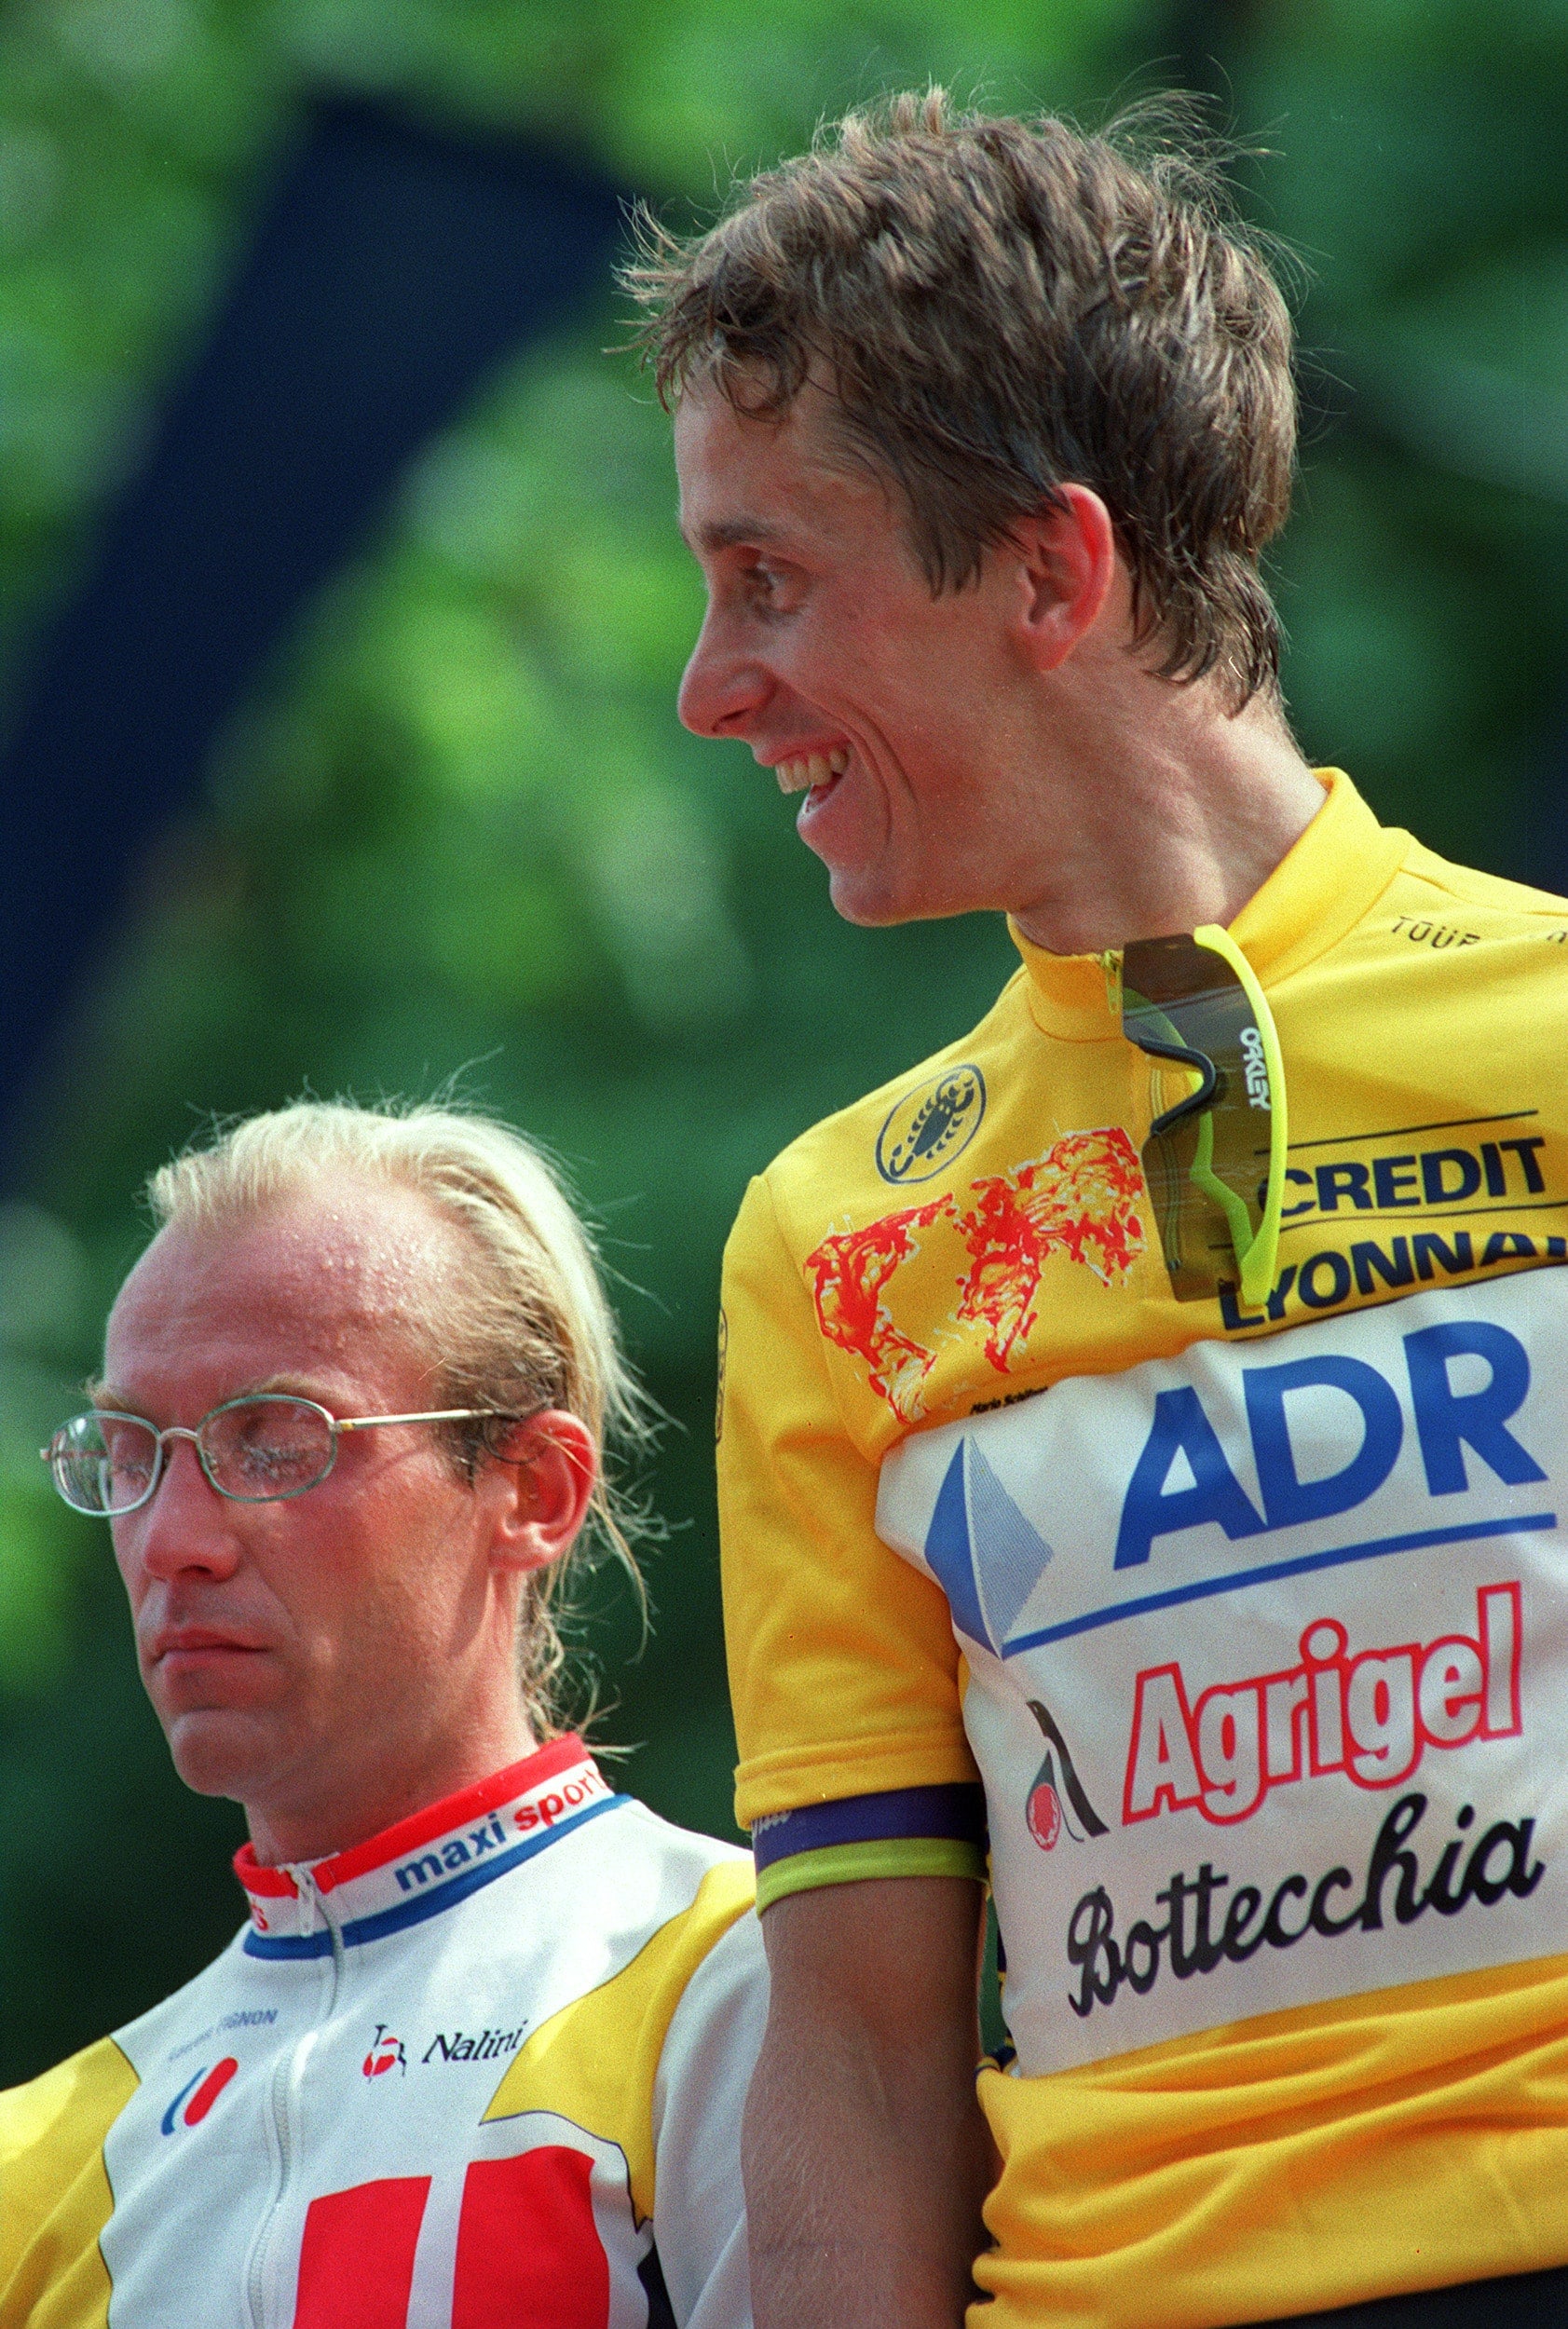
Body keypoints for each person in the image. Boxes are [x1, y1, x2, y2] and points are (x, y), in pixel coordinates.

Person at [626, 89, 1568, 2329]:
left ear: (1049, 569)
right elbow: (852, 2033)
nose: (705, 684)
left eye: (769, 575)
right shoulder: (827, 1236)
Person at [0, 1100, 764, 2328]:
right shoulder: (35, 2155)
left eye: (277, 1440)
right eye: (132, 1449)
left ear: (532, 1488)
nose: (173, 1543)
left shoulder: (737, 1982)